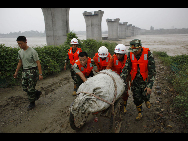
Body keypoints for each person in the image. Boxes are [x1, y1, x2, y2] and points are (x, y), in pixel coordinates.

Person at [120, 39, 156, 120]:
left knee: (146, 95)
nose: (134, 52)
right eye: (132, 50)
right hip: (135, 81)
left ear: (140, 47)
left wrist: (150, 85)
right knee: (136, 98)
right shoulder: (130, 54)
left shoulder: (148, 54)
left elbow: (152, 72)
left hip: (145, 81)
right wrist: (122, 78)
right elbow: (126, 67)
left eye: (135, 50)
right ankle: (140, 112)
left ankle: (147, 100)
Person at [13, 36, 43, 111]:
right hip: (25, 71)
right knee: (24, 87)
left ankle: (32, 103)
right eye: (18, 44)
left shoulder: (32, 51)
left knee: (30, 88)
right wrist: (16, 72)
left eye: (21, 43)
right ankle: (36, 93)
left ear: (26, 42)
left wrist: (40, 74)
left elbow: (38, 63)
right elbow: (20, 62)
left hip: (32, 71)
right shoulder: (20, 52)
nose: (20, 45)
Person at [106, 44, 128, 113]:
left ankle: (124, 106)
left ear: (123, 54)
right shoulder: (113, 58)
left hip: (124, 78)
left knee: (125, 93)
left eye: (120, 54)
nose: (118, 56)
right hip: (115, 78)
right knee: (113, 91)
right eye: (117, 54)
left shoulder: (127, 59)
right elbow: (108, 68)